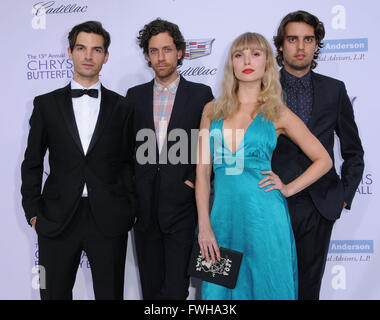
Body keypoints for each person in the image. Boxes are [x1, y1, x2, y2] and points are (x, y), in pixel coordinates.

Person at [196, 32, 333, 300]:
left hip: (265, 219)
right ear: (231, 64)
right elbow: (202, 173)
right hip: (222, 221)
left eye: (255, 54)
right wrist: (204, 225)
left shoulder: (277, 112)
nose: (247, 60)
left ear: (267, 62)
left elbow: (324, 159)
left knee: (267, 289)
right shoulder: (211, 110)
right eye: (239, 54)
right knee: (217, 295)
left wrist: (289, 188)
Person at [21, 21, 136, 300]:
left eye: (96, 50)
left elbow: (131, 164)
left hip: (108, 220)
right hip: (57, 218)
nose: (88, 56)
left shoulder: (123, 107)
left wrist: (129, 210)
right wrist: (34, 213)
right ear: (70, 52)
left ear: (106, 56)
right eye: (81, 48)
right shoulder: (45, 104)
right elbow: (32, 162)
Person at [272, 10, 364, 300]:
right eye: (292, 39)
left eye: (308, 39)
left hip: (319, 204)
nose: (300, 47)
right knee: (271, 286)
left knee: (308, 291)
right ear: (280, 45)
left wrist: (343, 195)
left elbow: (353, 152)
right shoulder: (262, 91)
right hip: (272, 201)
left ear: (316, 45)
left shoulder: (334, 90)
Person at [126, 18, 213, 299]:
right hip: (145, 209)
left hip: (182, 209)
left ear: (179, 52)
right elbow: (127, 151)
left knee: (176, 290)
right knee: (151, 291)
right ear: (147, 56)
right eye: (154, 51)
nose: (161, 57)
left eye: (166, 49)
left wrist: (190, 181)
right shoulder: (134, 96)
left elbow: (209, 148)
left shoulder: (201, 95)